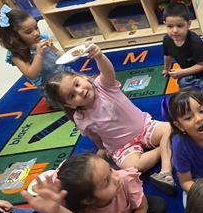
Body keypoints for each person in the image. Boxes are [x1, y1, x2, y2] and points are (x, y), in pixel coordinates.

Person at [44, 43, 175, 194]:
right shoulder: (81, 118)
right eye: (72, 95)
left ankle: (166, 172)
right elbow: (94, 135)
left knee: (170, 129)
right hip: (121, 146)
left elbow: (107, 71)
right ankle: (162, 149)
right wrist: (101, 148)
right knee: (133, 167)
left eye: (77, 84)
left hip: (144, 127)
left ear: (82, 77)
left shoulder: (103, 86)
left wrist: (99, 56)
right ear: (70, 105)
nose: (80, 91)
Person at [162, 0, 203, 100]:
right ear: (165, 24)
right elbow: (168, 56)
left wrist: (182, 72)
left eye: (180, 26)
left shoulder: (194, 41)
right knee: (183, 83)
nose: (174, 30)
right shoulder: (167, 40)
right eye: (170, 26)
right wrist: (166, 69)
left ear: (188, 24)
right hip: (189, 71)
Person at [0, 5, 69, 92]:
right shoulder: (16, 54)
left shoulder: (42, 38)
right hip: (51, 86)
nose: (36, 33)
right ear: (15, 36)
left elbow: (58, 53)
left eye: (36, 27)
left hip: (64, 73)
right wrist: (38, 54)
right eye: (29, 32)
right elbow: (31, 74)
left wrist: (63, 52)